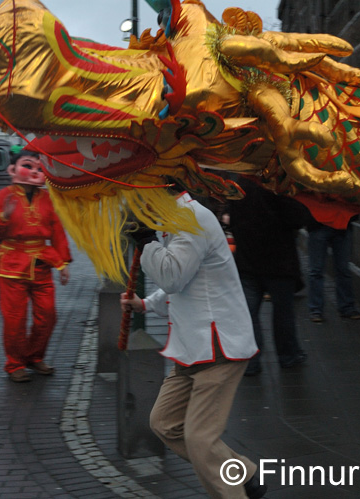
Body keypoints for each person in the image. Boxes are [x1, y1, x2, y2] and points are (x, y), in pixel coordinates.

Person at [120, 189, 267, 499]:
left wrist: (146, 243)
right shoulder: (177, 219)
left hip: (216, 347)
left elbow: (173, 277)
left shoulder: (191, 218)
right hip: (192, 347)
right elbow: (183, 285)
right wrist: (145, 305)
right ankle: (245, 474)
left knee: (200, 440)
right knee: (164, 423)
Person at [0, 149, 72, 383]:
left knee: (48, 315)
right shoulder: (3, 196)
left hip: (41, 262)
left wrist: (64, 262)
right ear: (13, 169)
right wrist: (3, 217)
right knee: (15, 319)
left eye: (40, 168)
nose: (34, 172)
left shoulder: (48, 198)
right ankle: (15, 363)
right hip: (12, 265)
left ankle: (34, 356)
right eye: (28, 166)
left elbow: (57, 230)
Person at [228, 176, 308, 376]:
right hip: (279, 263)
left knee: (249, 315)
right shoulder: (279, 187)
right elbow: (298, 218)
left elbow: (231, 218)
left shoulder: (240, 185)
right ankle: (288, 356)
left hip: (248, 261)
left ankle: (251, 361)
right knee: (283, 313)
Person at [306, 220, 360, 322]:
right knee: (317, 270)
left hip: (339, 226)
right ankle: (318, 309)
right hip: (321, 225)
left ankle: (319, 309)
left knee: (342, 269)